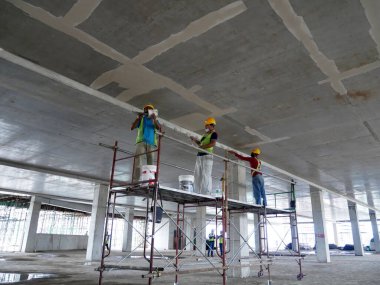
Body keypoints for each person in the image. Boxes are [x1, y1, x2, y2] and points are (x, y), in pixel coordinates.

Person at [131, 104, 161, 183]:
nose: (147, 111)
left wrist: (154, 119)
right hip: (141, 142)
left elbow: (159, 128)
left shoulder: (154, 120)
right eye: (146, 109)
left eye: (150, 109)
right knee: (138, 161)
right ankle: (136, 181)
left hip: (151, 144)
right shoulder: (141, 119)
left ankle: (151, 181)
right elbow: (132, 128)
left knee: (150, 164)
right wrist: (138, 119)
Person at [190, 117, 218, 195]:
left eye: (207, 125)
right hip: (199, 155)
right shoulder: (205, 134)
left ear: (212, 126)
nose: (205, 127)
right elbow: (201, 144)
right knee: (197, 174)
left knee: (206, 174)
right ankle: (196, 192)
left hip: (207, 155)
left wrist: (202, 147)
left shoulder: (214, 134)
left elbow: (213, 143)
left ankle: (205, 193)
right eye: (205, 125)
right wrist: (195, 140)